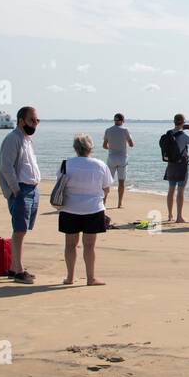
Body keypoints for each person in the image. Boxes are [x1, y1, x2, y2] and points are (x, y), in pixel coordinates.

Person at [58, 133, 113, 286]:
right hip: (93, 208)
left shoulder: (66, 164)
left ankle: (70, 277)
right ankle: (90, 278)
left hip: (70, 208)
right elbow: (106, 188)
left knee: (70, 245)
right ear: (91, 148)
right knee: (89, 245)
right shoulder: (100, 165)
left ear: (75, 148)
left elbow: (60, 184)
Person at [0, 106, 40, 284]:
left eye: (37, 120)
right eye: (32, 120)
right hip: (20, 190)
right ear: (21, 120)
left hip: (31, 189)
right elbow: (6, 167)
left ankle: (15, 266)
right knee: (19, 229)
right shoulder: (13, 139)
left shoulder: (27, 140)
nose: (35, 124)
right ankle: (17, 270)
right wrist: (15, 190)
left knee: (23, 230)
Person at [163, 113, 189, 223]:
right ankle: (179, 217)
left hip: (171, 164)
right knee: (181, 190)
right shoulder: (184, 136)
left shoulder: (168, 134)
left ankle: (170, 215)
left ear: (174, 122)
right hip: (182, 166)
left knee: (171, 190)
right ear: (183, 122)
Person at [102, 113, 133, 209]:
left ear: (114, 120)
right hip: (122, 158)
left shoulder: (108, 130)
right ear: (123, 120)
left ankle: (103, 202)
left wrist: (111, 148)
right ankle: (119, 203)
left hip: (111, 157)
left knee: (107, 181)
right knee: (121, 182)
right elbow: (131, 144)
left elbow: (104, 145)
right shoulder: (125, 130)